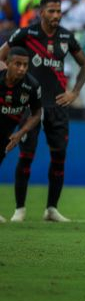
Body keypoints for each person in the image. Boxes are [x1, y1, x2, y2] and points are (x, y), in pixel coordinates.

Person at [0, 0, 85, 222]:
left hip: (57, 105)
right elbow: (1, 55)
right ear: (41, 12)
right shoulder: (26, 34)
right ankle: (19, 209)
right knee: (26, 156)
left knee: (59, 156)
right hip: (31, 106)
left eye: (59, 11)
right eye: (52, 11)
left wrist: (75, 92)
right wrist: (12, 83)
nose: (56, 16)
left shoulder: (66, 37)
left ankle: (51, 208)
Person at [0, 47, 43, 223]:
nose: (22, 68)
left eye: (25, 65)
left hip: (9, 126)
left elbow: (36, 113)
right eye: (17, 64)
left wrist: (20, 133)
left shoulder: (32, 85)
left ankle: (20, 208)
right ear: (7, 63)